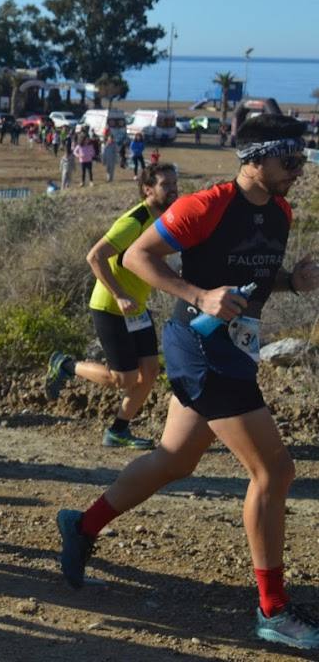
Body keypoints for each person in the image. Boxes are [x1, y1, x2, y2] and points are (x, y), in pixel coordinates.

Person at [56, 115, 319, 651]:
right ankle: (272, 609)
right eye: (288, 160)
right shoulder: (206, 205)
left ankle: (81, 526)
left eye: (302, 160)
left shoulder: (281, 212)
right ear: (254, 158)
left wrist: (294, 280)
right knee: (274, 469)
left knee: (175, 460)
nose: (299, 170)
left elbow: (252, 279)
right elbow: (135, 256)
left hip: (232, 350)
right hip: (200, 347)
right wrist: (199, 296)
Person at [45, 164, 180, 448]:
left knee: (151, 372)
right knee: (124, 378)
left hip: (137, 309)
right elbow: (94, 257)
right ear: (148, 189)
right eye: (166, 185)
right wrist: (119, 294)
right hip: (110, 306)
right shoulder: (135, 220)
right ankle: (65, 364)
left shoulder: (165, 218)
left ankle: (118, 430)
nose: (173, 189)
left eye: (174, 183)